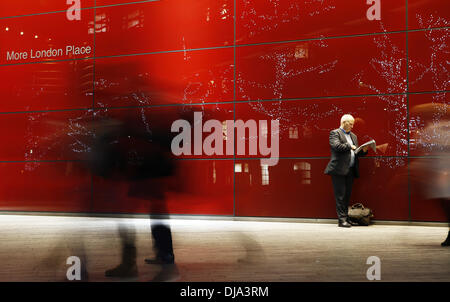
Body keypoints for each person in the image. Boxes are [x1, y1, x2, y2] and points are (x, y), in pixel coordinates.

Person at [324, 114, 369, 228]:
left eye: (353, 124)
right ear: (344, 122)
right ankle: (342, 220)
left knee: (347, 195)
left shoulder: (353, 136)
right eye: (351, 123)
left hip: (350, 170)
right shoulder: (335, 133)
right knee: (340, 196)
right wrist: (350, 146)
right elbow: (336, 146)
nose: (353, 126)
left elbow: (356, 151)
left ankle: (346, 218)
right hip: (338, 170)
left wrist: (363, 150)